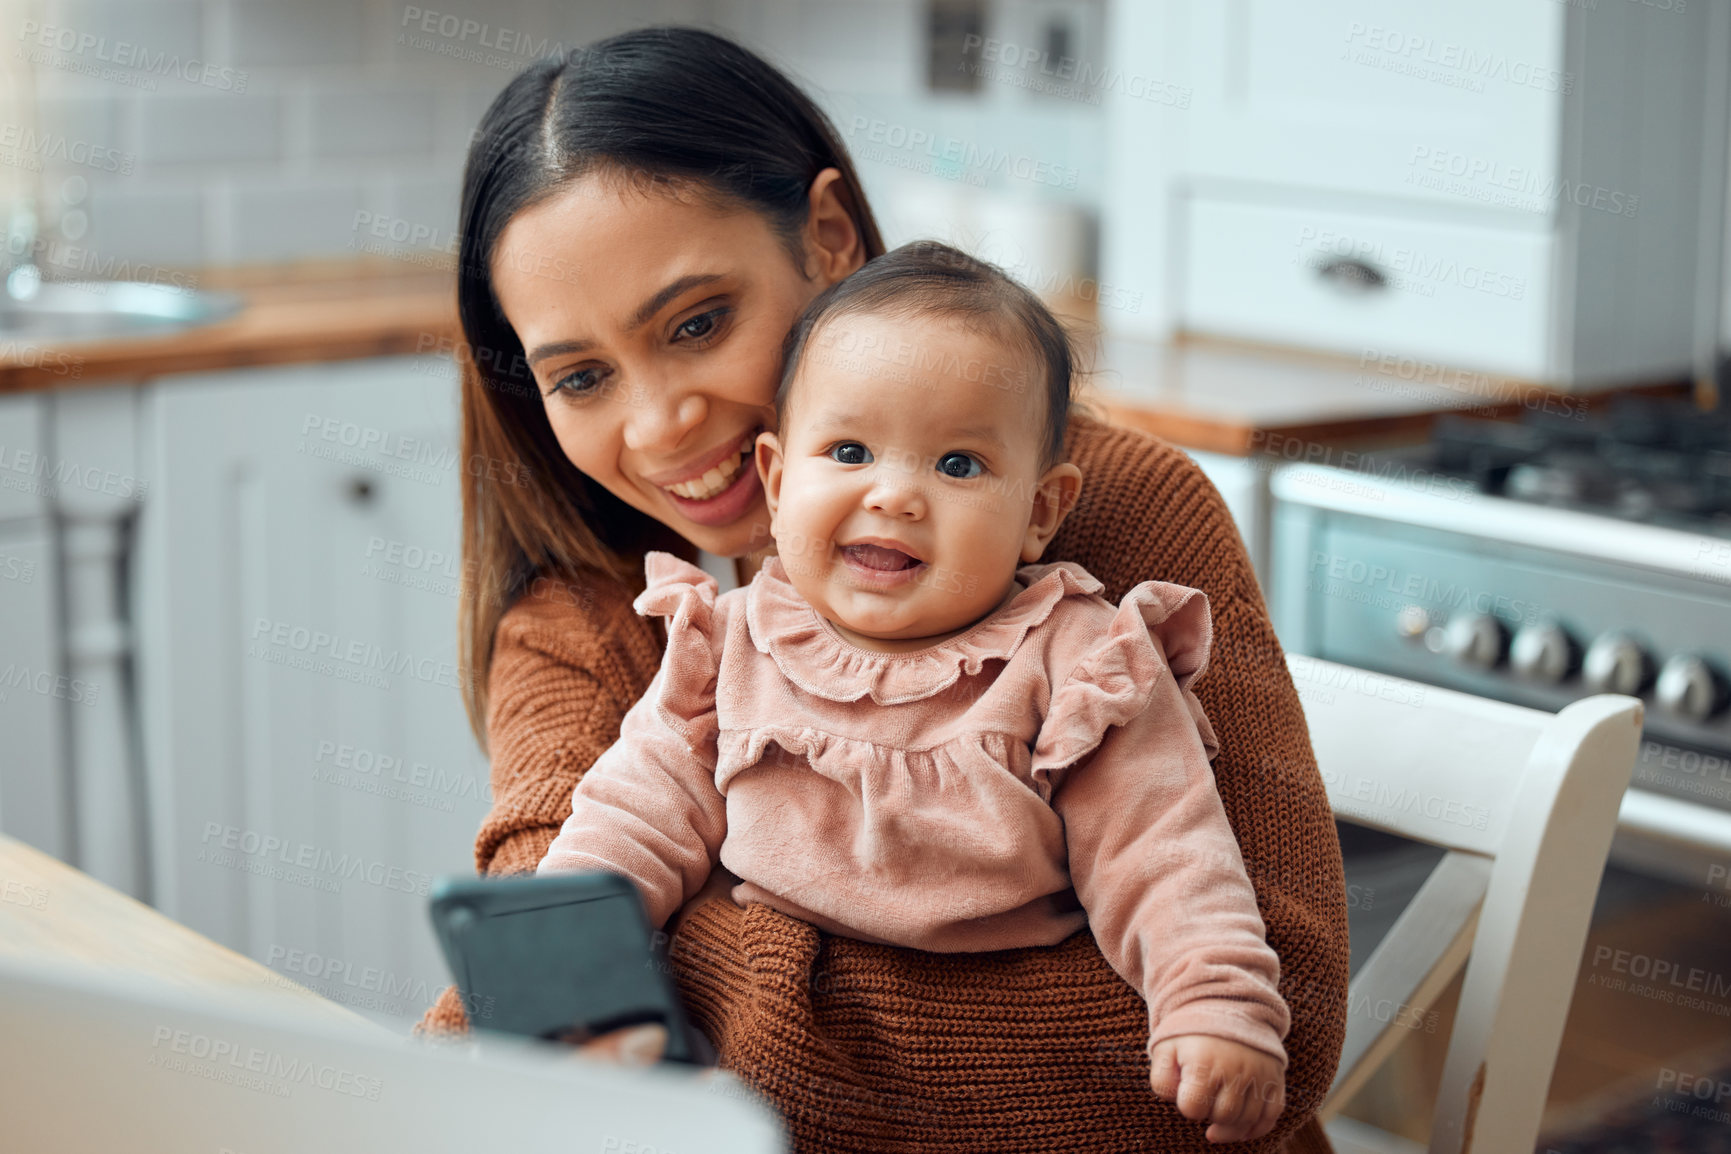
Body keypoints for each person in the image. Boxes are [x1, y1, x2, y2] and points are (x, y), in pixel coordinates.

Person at [419, 24, 1348, 1154]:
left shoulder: (1109, 536)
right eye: (581, 375)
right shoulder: (587, 620)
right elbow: (550, 978)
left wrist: (700, 988)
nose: (662, 423)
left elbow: (1260, 1027)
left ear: (826, 238)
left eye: (700, 322)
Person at [537, 241, 1291, 1143]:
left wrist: (1211, 1004)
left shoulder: (1078, 663)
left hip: (1007, 1071)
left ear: (1040, 513)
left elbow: (1165, 852)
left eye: (959, 466)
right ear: (778, 481)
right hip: (761, 1085)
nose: (893, 494)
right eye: (849, 450)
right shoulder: (728, 642)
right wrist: (558, 938)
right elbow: (637, 808)